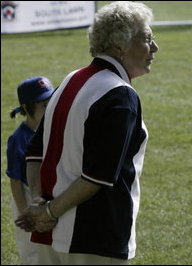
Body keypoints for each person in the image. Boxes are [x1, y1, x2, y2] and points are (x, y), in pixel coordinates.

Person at [15, 1, 159, 265]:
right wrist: (47, 212)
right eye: (147, 38)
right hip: (95, 238)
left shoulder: (72, 78)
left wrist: (40, 203)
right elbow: (98, 176)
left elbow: (35, 152)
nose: (154, 47)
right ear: (119, 45)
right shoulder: (119, 93)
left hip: (52, 236)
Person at [6, 76, 55, 265]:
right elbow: (15, 181)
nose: (49, 108)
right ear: (27, 108)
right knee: (32, 250)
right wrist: (24, 212)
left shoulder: (52, 129)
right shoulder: (19, 139)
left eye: (52, 102)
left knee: (50, 248)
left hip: (45, 197)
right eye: (44, 105)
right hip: (26, 198)